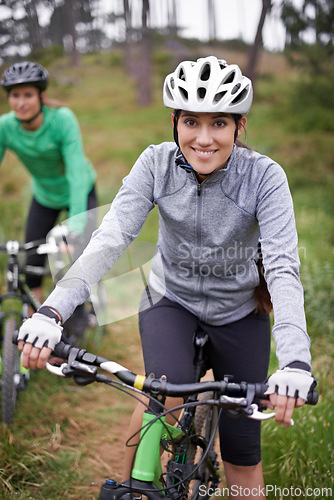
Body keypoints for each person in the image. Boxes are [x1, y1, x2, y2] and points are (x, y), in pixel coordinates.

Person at [17, 56, 315, 498]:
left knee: (241, 457)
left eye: (219, 122)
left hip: (239, 313)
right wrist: (51, 311)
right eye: (191, 121)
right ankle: (133, 490)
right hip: (170, 302)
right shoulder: (155, 164)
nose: (204, 138)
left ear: (239, 125)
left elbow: (282, 268)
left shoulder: (265, 178)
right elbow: (111, 238)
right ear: (174, 121)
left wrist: (295, 361)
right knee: (159, 399)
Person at [0, 61, 97, 306]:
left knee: (80, 259)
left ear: (42, 96)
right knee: (32, 263)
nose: (21, 103)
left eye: (28, 95)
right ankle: (36, 327)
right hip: (45, 197)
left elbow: (76, 174)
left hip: (80, 192)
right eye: (15, 95)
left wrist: (74, 227)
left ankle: (85, 308)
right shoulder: (6, 127)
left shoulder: (62, 120)